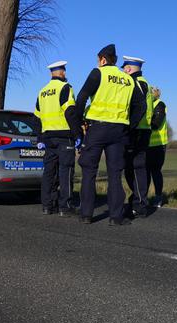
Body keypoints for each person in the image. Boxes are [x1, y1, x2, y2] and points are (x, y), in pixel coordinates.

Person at [74, 44, 147, 226]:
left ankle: (86, 214)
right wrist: (129, 126)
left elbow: (81, 97)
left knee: (89, 170)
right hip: (119, 132)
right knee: (115, 173)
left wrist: (79, 123)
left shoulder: (98, 73)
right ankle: (116, 217)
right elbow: (141, 107)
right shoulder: (128, 80)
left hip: (97, 129)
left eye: (98, 60)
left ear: (103, 59)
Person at [33, 61, 83, 217]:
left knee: (49, 172)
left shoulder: (42, 92)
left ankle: (47, 206)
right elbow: (70, 113)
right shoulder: (65, 88)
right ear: (63, 73)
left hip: (48, 138)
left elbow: (36, 118)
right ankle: (65, 206)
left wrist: (40, 137)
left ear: (51, 73)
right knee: (65, 171)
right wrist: (78, 135)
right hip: (64, 137)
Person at [122, 56, 153, 218]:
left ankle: (139, 204)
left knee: (134, 167)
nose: (123, 72)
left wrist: (128, 127)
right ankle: (138, 201)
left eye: (124, 69)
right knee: (135, 167)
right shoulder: (145, 82)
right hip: (143, 129)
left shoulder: (136, 83)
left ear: (128, 69)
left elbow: (137, 107)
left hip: (136, 129)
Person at [147, 87, 168, 208]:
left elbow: (156, 123)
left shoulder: (160, 104)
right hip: (146, 144)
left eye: (150, 93)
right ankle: (143, 197)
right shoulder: (147, 105)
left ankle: (158, 198)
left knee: (155, 172)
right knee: (144, 172)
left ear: (156, 94)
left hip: (158, 145)